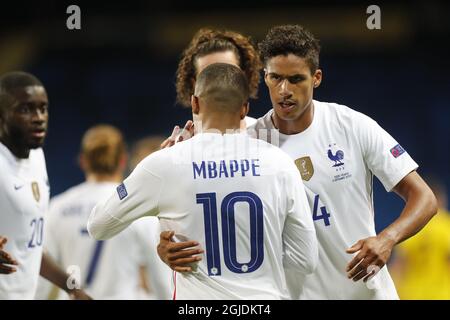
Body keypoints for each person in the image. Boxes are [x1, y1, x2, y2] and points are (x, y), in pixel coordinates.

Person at [156, 25, 438, 300]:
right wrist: (165, 247)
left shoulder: (351, 125)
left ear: (316, 78)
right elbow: (208, 212)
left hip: (368, 294)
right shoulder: (250, 143)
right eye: (275, 78)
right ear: (264, 77)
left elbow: (424, 198)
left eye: (296, 79)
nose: (284, 90)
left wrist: (387, 238)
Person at [87, 63, 318, 299]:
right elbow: (305, 260)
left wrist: (161, 217)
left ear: (195, 103)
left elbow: (98, 225)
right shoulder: (280, 163)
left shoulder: (164, 165)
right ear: (244, 109)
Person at [35, 125, 171, 299]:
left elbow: (42, 268)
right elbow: (159, 277)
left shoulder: (57, 207)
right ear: (123, 160)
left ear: (83, 161)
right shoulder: (137, 207)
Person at [0, 71, 90, 299]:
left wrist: (73, 289)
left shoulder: (37, 157)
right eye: (25, 109)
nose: (39, 117)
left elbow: (31, 246)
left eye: (43, 108)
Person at [161, 28, 262, 148]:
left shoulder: (267, 139)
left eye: (228, 72)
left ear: (244, 78)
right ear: (194, 84)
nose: (219, 82)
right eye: (208, 75)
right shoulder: (179, 148)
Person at [390, 177, 450, 299]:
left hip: (411, 294)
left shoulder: (409, 225)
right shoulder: (446, 225)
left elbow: (399, 265)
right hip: (442, 294)